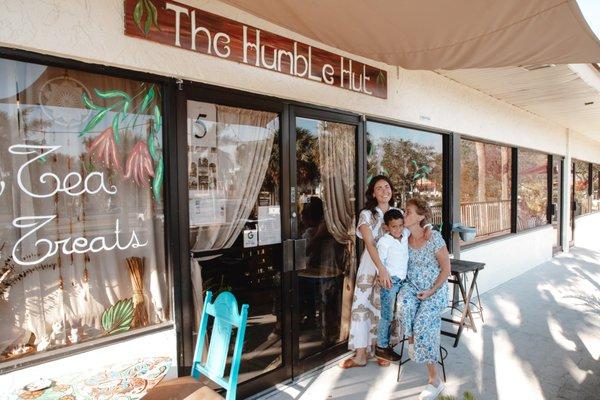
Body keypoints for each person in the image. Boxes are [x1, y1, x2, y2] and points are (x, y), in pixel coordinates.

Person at [338, 175, 399, 368]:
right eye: (379, 188)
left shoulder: (398, 212)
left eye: (387, 187)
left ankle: (382, 350)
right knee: (363, 307)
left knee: (386, 307)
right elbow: (370, 242)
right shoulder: (366, 214)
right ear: (373, 193)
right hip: (371, 266)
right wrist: (381, 269)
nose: (384, 191)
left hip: (392, 266)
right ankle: (361, 354)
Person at [397, 197, 451, 400]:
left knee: (422, 324)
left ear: (420, 216)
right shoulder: (402, 237)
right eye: (404, 211)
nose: (404, 214)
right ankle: (413, 339)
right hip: (412, 288)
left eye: (408, 211)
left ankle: (434, 380)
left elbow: (446, 269)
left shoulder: (433, 237)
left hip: (434, 291)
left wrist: (431, 291)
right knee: (404, 304)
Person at [374, 208, 410, 362]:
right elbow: (379, 262)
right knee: (387, 316)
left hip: (404, 281)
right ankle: (381, 347)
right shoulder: (384, 241)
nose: (398, 229)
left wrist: (428, 228)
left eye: (400, 225)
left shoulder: (406, 234)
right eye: (394, 226)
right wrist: (381, 276)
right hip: (390, 281)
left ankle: (396, 341)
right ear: (387, 227)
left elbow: (420, 225)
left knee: (399, 313)